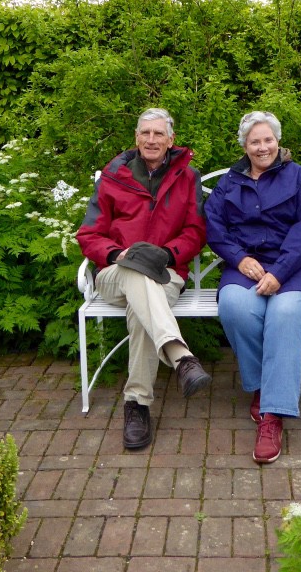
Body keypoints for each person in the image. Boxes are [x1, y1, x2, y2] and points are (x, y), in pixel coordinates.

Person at [76, 108, 212, 450]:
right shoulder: (113, 175)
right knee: (135, 272)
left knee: (141, 310)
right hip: (114, 274)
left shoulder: (186, 177)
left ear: (171, 140)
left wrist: (166, 254)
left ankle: (136, 404)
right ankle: (181, 357)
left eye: (158, 134)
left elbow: (196, 232)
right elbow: (89, 234)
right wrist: (117, 254)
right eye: (145, 133)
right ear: (136, 138)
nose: (151, 140)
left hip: (165, 273)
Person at [204, 111, 301, 464]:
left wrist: (281, 271)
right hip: (248, 266)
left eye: (268, 139)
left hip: (298, 266)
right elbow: (214, 226)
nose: (263, 147)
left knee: (284, 313)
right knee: (235, 306)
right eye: (255, 141)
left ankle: (272, 415)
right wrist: (239, 258)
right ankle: (260, 385)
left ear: (278, 141)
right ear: (244, 145)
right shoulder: (230, 182)